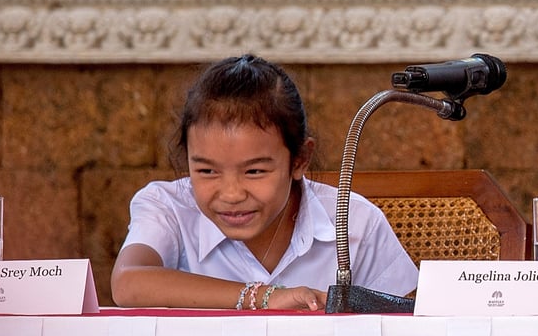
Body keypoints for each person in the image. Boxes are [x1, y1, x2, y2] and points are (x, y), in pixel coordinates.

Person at [111, 54, 418, 310]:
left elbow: (404, 331)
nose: (231, 194)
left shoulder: (353, 222)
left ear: (299, 160)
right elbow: (128, 282)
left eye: (254, 172)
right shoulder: (168, 208)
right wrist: (264, 297)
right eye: (207, 171)